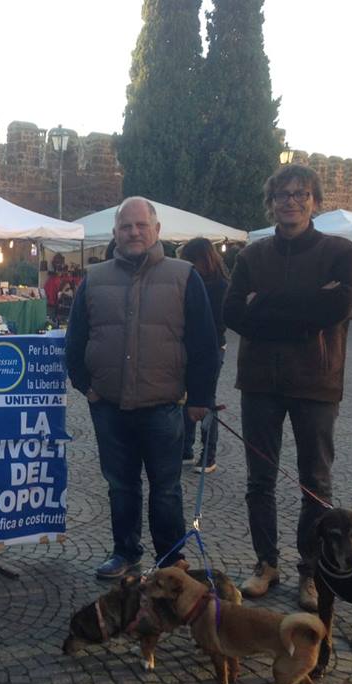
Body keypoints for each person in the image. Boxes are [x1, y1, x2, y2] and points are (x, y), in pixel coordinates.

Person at [224, 164, 352, 611]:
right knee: (259, 480)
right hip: (261, 382)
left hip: (316, 382)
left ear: (315, 201)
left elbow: (336, 309)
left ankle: (310, 569)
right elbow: (233, 314)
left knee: (315, 482)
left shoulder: (340, 251)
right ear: (272, 202)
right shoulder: (251, 257)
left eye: (301, 194)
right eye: (283, 194)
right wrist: (304, 308)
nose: (292, 201)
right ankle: (266, 563)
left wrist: (265, 306)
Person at [66, 197, 220, 580]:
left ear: (156, 230)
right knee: (121, 486)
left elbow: (204, 341)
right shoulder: (95, 277)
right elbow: (76, 339)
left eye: (140, 225)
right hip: (109, 404)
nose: (133, 232)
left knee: (166, 489)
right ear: (116, 232)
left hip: (164, 404)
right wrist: (87, 387)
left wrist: (200, 398)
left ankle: (170, 559)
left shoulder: (184, 276)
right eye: (126, 227)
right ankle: (125, 552)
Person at [179, 237, 229, 473]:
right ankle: (185, 449)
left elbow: (218, 324)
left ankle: (208, 455)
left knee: (206, 400)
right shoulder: (192, 281)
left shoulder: (219, 286)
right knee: (184, 398)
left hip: (212, 348)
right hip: (188, 347)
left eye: (190, 260)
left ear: (202, 259)